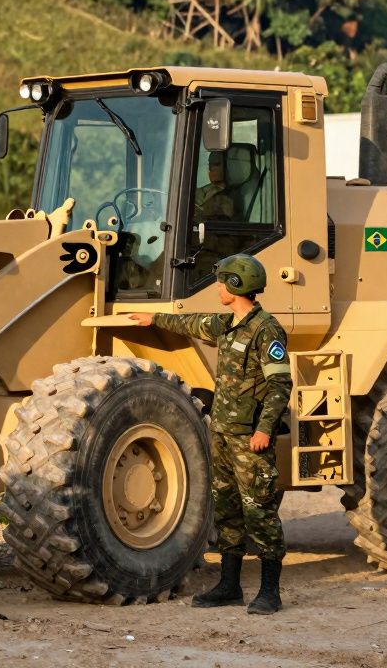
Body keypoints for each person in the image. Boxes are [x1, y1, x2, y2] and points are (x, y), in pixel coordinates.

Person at [126, 254, 292, 615]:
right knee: (228, 511)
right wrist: (154, 318)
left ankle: (270, 591)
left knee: (260, 512)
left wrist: (264, 430)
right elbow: (192, 322)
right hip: (223, 435)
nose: (217, 287)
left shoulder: (266, 330)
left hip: (250, 438)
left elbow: (280, 385)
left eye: (222, 281)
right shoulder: (228, 324)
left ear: (236, 285)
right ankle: (229, 587)